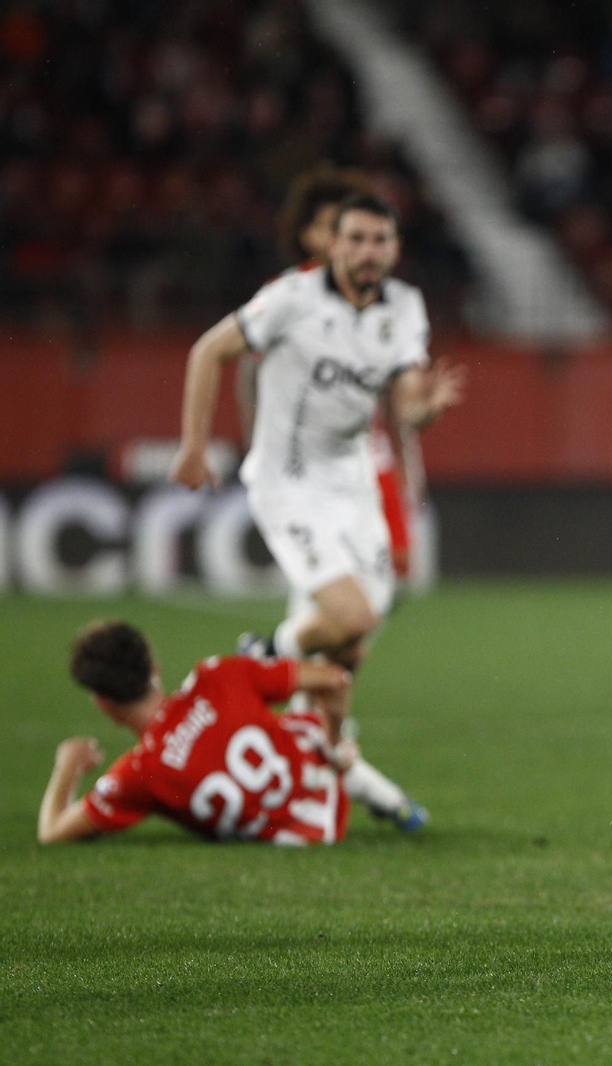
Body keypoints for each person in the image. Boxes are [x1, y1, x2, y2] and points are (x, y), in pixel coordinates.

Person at [168, 193, 463, 675]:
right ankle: (269, 653)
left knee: (353, 640)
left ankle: (328, 745)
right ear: (334, 245)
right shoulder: (293, 297)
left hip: (355, 483)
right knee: (354, 616)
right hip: (289, 483)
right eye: (357, 239)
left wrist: (426, 410)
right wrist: (193, 447)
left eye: (380, 240)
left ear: (395, 248)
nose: (369, 251)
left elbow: (406, 406)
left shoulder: (405, 308)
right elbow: (209, 351)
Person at [37, 620, 422, 845]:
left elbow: (52, 831)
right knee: (310, 682)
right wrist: (335, 744)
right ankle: (369, 783)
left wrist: (67, 766)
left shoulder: (139, 775)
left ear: (102, 703)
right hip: (318, 782)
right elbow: (336, 682)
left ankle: (364, 780)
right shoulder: (217, 675)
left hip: (302, 834)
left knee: (269, 700)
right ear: (154, 665)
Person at [237, 165, 428, 584]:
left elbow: (396, 394)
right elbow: (246, 373)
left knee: (389, 573)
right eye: (332, 228)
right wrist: (259, 449)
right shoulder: (287, 296)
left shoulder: (383, 303)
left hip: (364, 455)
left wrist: (410, 464)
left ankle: (290, 645)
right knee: (338, 589)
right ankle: (286, 645)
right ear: (308, 235)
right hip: (302, 467)